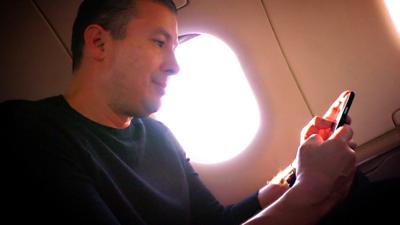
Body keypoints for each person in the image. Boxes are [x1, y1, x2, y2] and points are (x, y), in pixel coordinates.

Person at [1, 0, 398, 224]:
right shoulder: (29, 131)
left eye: (175, 46)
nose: (176, 65)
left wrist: (290, 179)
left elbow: (215, 222)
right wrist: (309, 195)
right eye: (160, 42)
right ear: (99, 43)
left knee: (357, 189)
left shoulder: (158, 135)